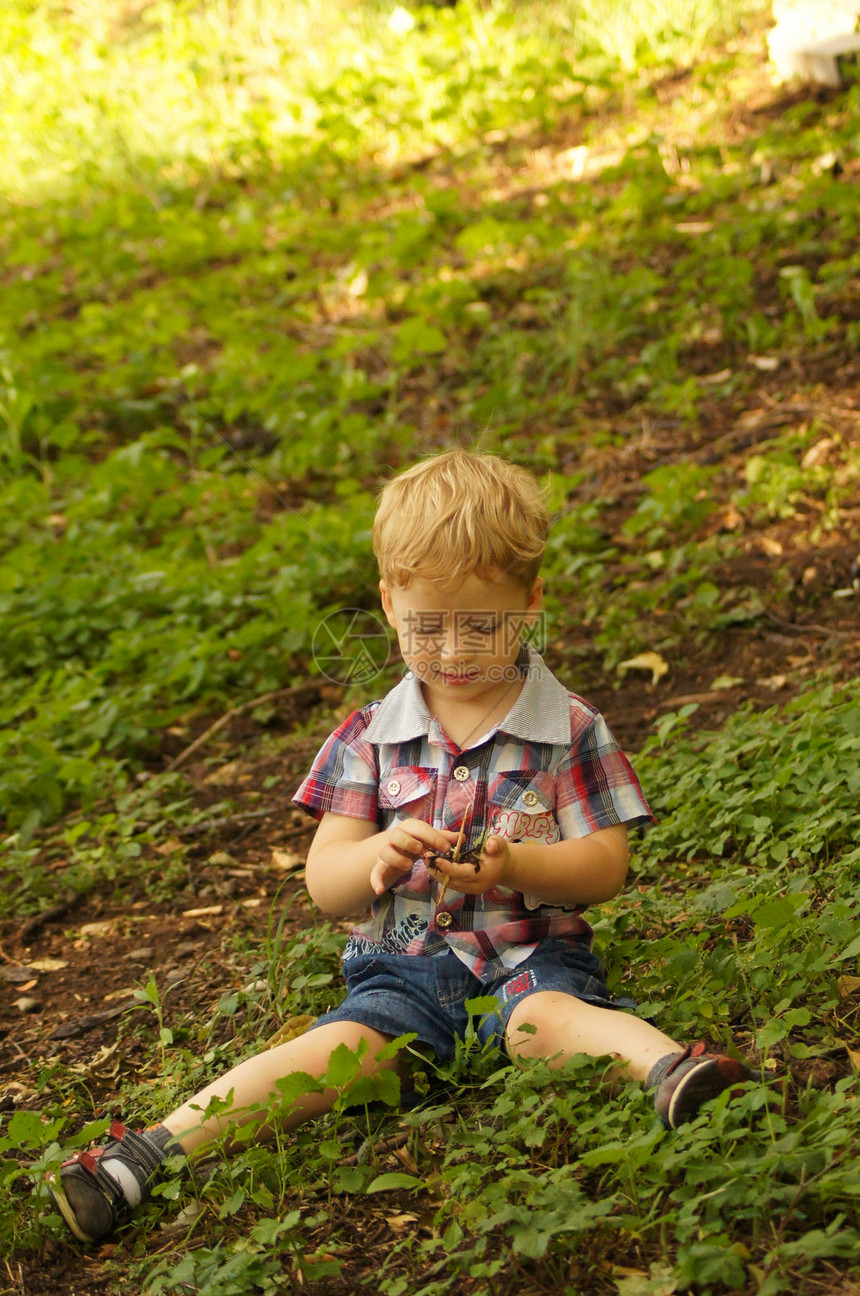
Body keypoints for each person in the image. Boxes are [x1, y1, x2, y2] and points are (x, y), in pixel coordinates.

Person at [48, 449, 748, 1244]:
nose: (452, 648)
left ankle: (671, 1070)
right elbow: (325, 883)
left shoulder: (570, 731)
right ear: (388, 605)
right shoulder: (371, 740)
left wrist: (518, 865)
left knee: (549, 1019)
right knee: (335, 1050)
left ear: (531, 603)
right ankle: (148, 1155)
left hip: (530, 962)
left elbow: (605, 869)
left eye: (479, 624)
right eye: (427, 624)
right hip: (400, 979)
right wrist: (377, 854)